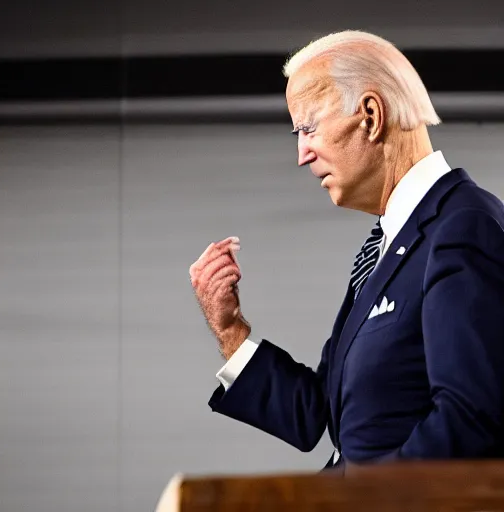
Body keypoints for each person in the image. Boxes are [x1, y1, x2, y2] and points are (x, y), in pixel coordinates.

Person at [188, 30, 504, 471]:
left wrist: (360, 501)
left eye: (307, 128)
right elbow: (317, 412)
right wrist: (230, 330)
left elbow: (473, 420)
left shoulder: (463, 228)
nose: (301, 154)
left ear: (371, 116)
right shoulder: (390, 244)